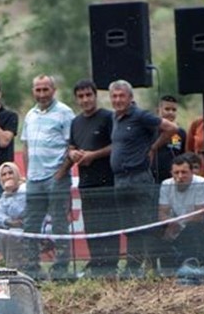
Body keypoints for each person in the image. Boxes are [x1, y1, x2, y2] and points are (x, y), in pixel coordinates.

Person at [109, 79, 180, 272]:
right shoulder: (115, 118)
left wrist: (154, 147)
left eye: (121, 95)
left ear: (130, 97)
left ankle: (152, 267)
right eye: (114, 96)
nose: (118, 100)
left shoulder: (140, 115)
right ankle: (133, 266)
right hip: (120, 180)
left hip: (138, 177)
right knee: (129, 227)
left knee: (146, 224)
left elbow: (172, 128)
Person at [20, 75, 73, 270]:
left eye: (45, 90)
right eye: (38, 90)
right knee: (30, 223)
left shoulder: (65, 113)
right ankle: (32, 266)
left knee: (59, 222)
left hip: (55, 176)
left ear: (54, 89)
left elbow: (71, 146)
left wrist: (61, 172)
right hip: (34, 178)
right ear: (33, 91)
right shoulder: (30, 115)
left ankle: (61, 266)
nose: (41, 94)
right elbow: (25, 146)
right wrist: (28, 172)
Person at [68, 78, 116, 271]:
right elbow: (71, 146)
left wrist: (93, 155)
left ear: (95, 96)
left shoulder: (108, 117)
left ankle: (111, 263)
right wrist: (72, 153)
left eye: (89, 95)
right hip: (86, 182)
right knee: (91, 225)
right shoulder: (75, 122)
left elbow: (116, 145)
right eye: (81, 96)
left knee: (109, 224)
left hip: (107, 180)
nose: (85, 99)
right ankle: (96, 261)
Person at [157, 152, 204, 266]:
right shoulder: (166, 184)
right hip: (177, 227)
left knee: (192, 229)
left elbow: (200, 216)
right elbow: (162, 213)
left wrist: (177, 224)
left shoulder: (201, 183)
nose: (180, 176)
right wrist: (170, 223)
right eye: (176, 172)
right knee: (157, 233)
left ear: (191, 173)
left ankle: (191, 266)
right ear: (171, 173)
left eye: (184, 172)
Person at [0, 161, 31, 271]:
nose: (7, 177)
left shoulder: (25, 188)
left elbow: (19, 211)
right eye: (4, 175)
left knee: (11, 236)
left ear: (17, 174)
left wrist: (9, 194)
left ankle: (15, 269)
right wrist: (7, 221)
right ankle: (10, 267)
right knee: (2, 236)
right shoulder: (5, 194)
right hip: (14, 228)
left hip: (30, 228)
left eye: (10, 173)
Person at [150, 94, 186, 183]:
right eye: (167, 109)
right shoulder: (150, 131)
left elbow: (184, 154)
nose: (170, 112)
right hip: (153, 177)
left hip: (174, 178)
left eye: (174, 110)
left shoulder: (181, 133)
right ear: (158, 110)